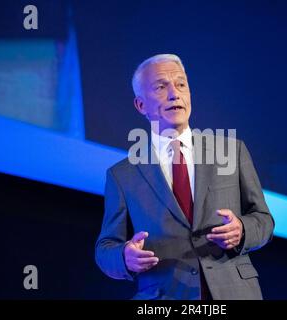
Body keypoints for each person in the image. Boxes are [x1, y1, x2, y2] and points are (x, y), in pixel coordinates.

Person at [95, 54, 274, 300]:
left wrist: (242, 230)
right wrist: (125, 256)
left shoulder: (231, 151)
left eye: (181, 84)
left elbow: (263, 220)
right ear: (141, 105)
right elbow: (105, 249)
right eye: (161, 86)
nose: (174, 94)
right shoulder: (122, 175)